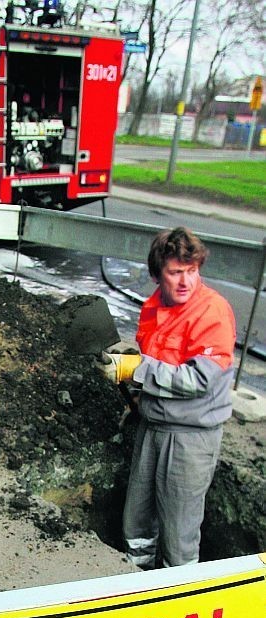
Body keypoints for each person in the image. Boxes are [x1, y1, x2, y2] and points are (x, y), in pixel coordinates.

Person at [99, 226, 236, 569]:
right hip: (153, 427)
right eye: (176, 272)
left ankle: (177, 594)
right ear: (159, 274)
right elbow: (156, 362)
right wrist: (124, 366)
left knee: (178, 534)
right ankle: (138, 577)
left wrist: (135, 369)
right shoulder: (153, 307)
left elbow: (197, 380)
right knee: (138, 521)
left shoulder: (212, 313)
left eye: (192, 271)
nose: (186, 281)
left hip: (190, 439)